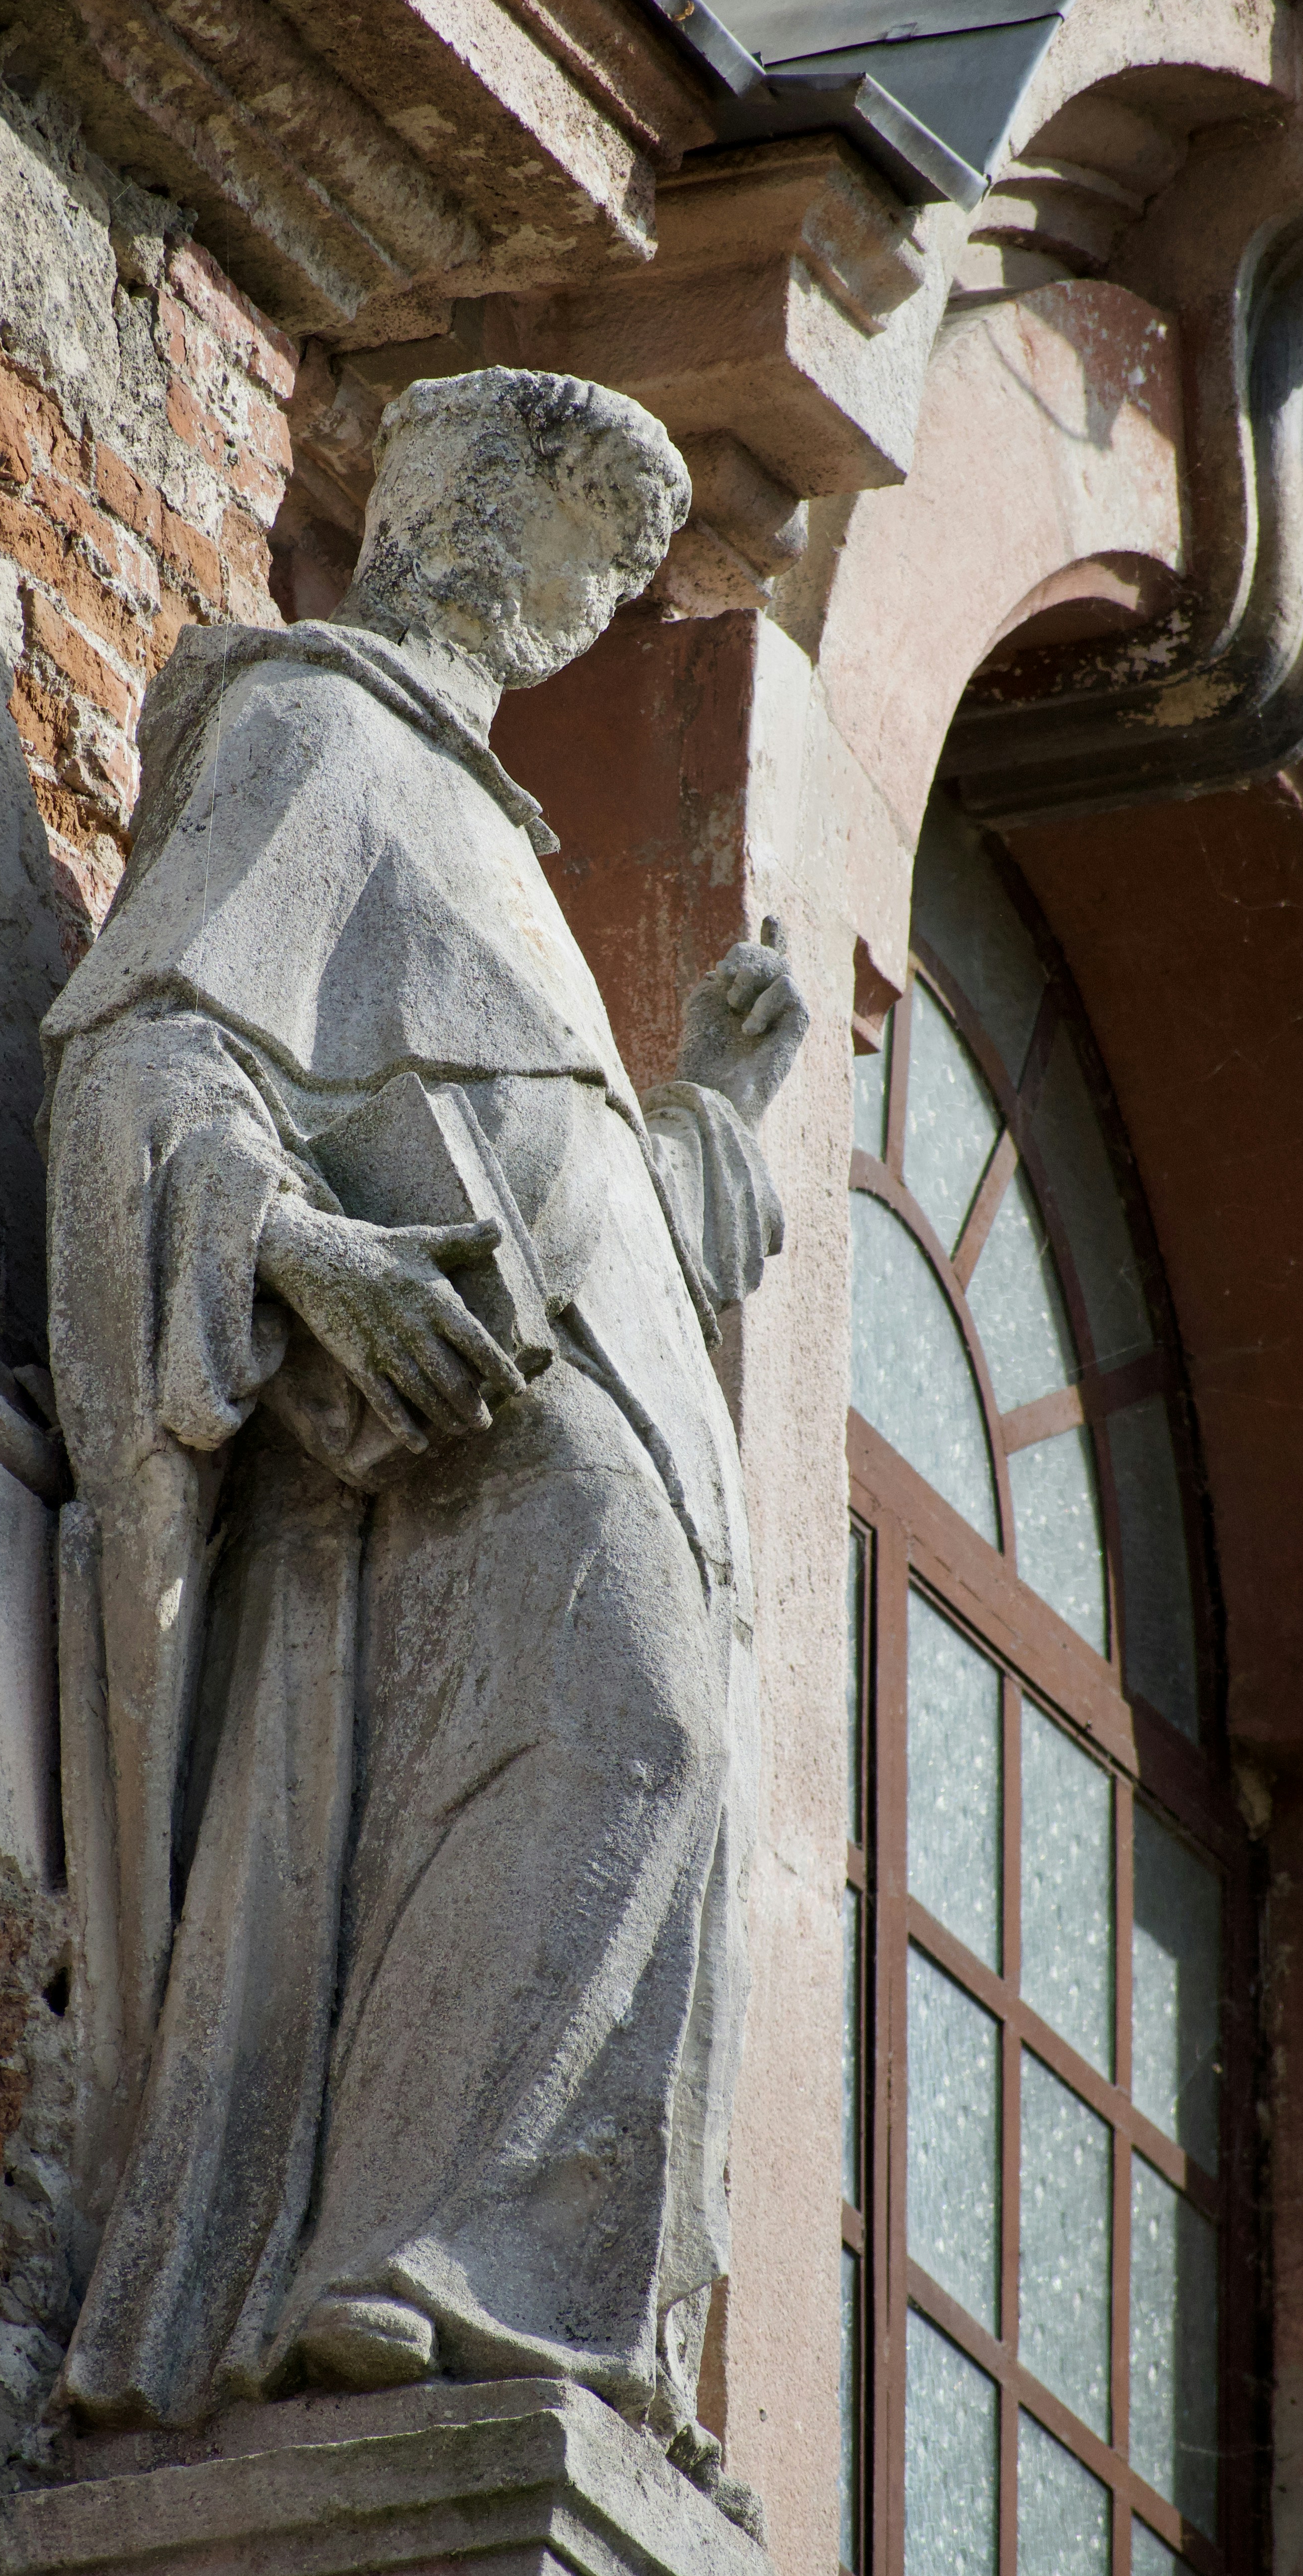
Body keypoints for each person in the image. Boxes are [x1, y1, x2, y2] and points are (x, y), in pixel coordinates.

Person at [41, 368, 808, 2466]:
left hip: (609, 1396)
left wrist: (706, 1129)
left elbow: (543, 1165)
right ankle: (416, 2268)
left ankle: (542, 2310)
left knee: (656, 1767)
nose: (593, 602)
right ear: (457, 523)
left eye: (618, 573)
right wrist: (305, 1259)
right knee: (613, 1736)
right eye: (582, 543)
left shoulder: (481, 821)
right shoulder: (315, 730)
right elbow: (150, 1065)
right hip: (480, 1428)